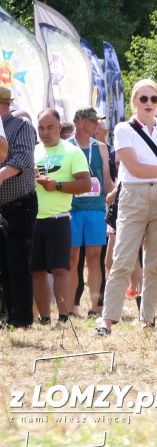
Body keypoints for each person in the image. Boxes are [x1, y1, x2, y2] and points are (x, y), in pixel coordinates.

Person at [96, 80, 157, 336]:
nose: (148, 104)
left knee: (155, 264)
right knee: (122, 260)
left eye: (153, 99)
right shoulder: (124, 128)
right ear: (134, 101)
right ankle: (107, 321)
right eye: (143, 98)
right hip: (132, 195)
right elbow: (134, 167)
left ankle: (147, 319)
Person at [32, 108, 91, 323]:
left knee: (60, 268)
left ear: (59, 127)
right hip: (33, 220)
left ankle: (64, 317)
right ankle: (45, 318)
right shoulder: (33, 151)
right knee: (36, 271)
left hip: (58, 218)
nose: (45, 132)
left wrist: (57, 185)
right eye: (41, 128)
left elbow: (85, 184)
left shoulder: (72, 151)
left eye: (50, 127)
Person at [69, 108, 112, 317]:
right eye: (92, 121)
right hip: (72, 210)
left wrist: (114, 199)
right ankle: (71, 308)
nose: (97, 124)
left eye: (98, 121)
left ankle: (95, 307)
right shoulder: (66, 147)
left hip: (95, 210)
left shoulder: (101, 148)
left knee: (95, 259)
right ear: (79, 122)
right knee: (72, 259)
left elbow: (106, 180)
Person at [0, 86, 37, 329]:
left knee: (16, 262)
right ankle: (5, 317)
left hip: (19, 206)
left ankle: (22, 319)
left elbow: (23, 158)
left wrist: (0, 175)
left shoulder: (22, 126)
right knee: (2, 265)